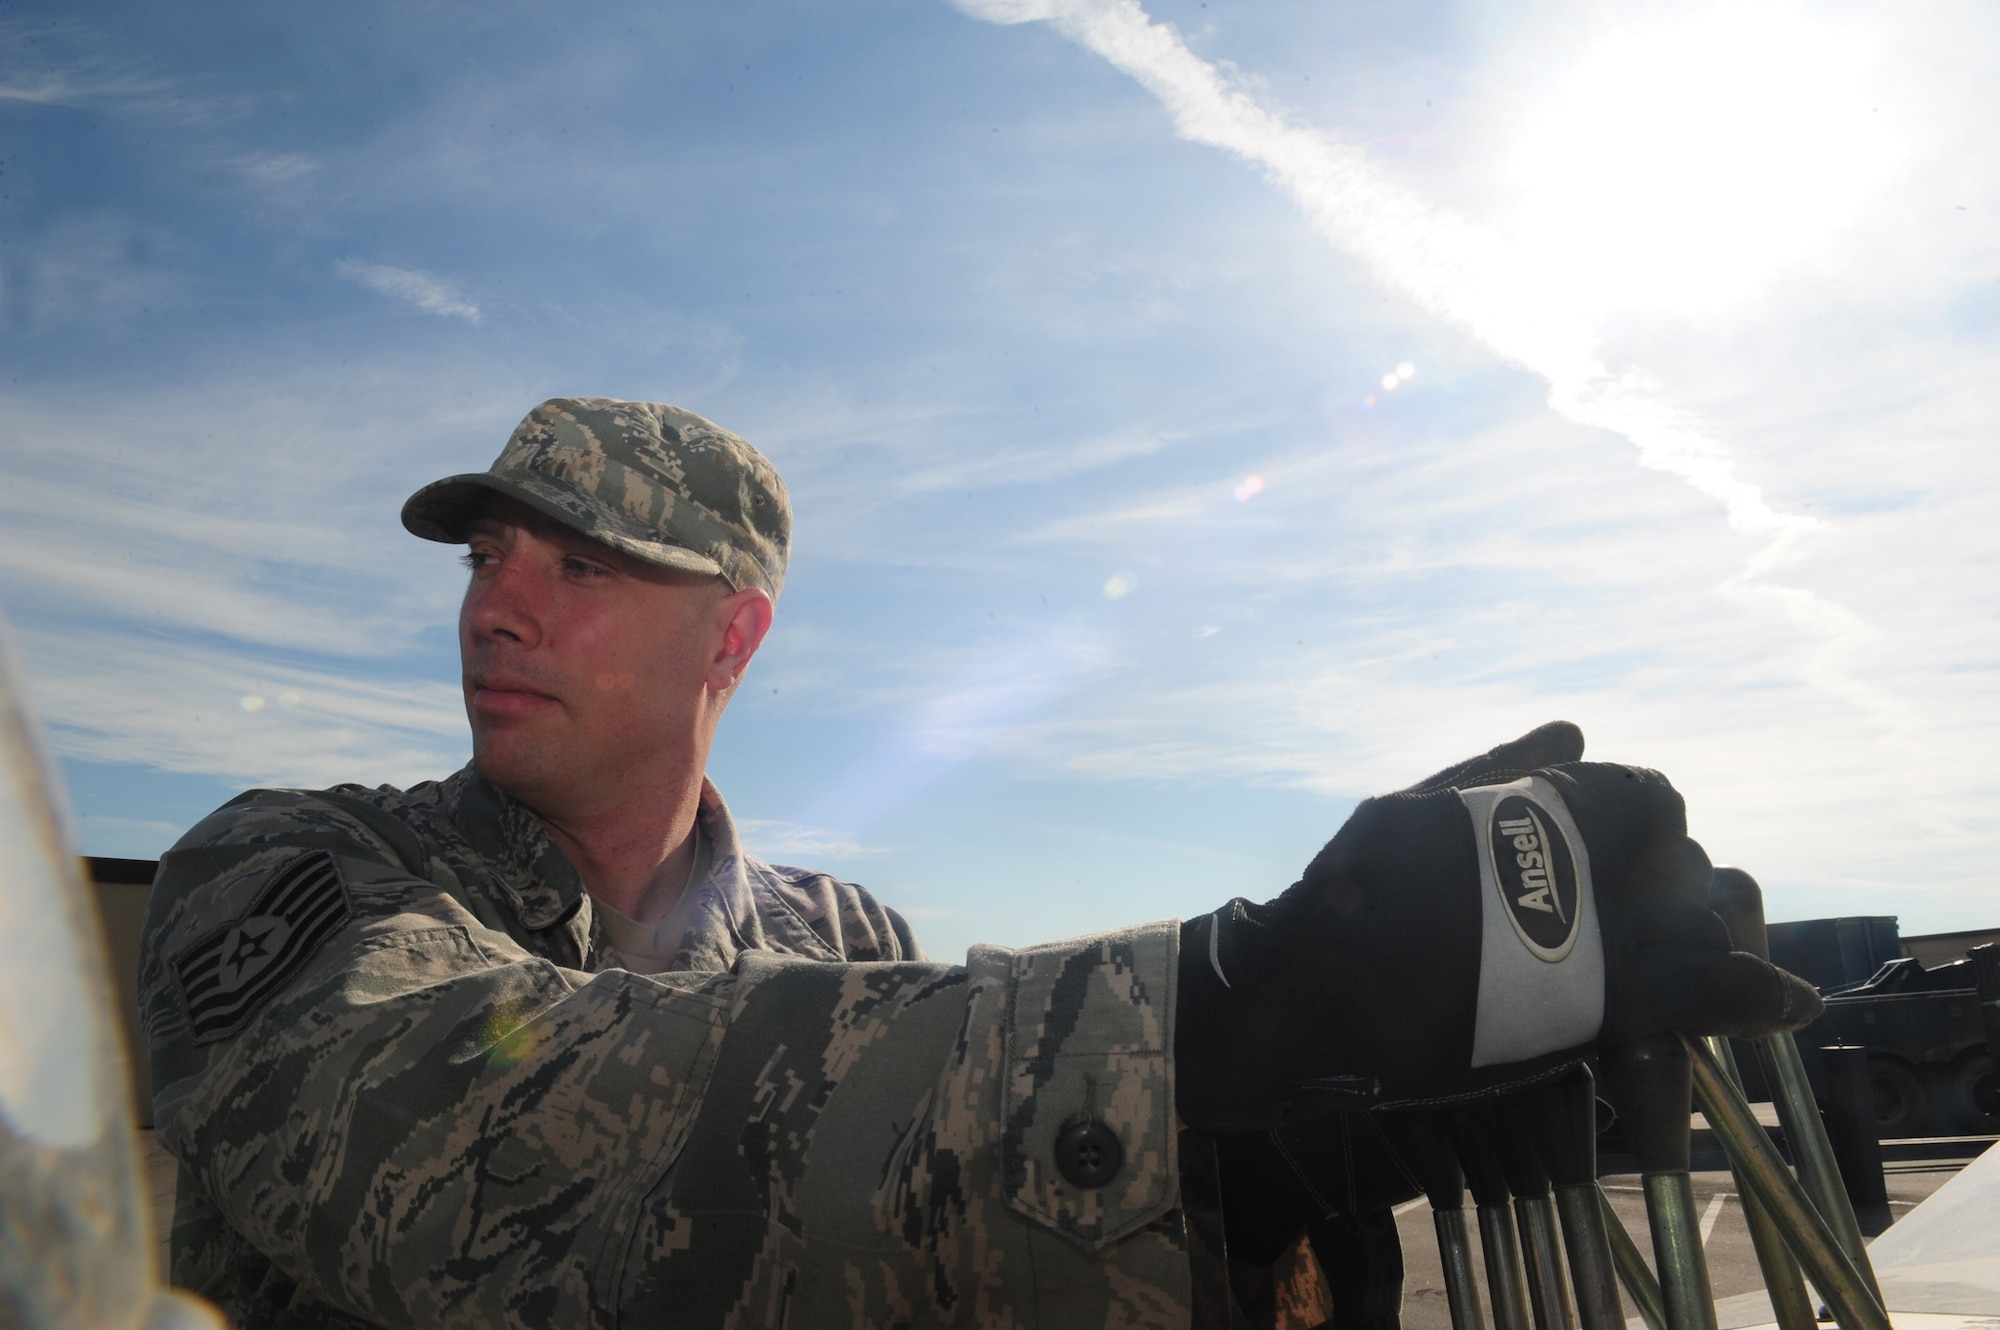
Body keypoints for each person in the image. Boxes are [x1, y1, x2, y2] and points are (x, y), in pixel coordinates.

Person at [138, 397, 1821, 1329]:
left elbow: (902, 1263)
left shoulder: (838, 930)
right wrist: (1214, 1016)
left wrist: (1257, 1171)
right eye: (490, 556)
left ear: (736, 630)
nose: (496, 602)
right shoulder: (298, 867)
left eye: (575, 563)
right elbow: (463, 1164)